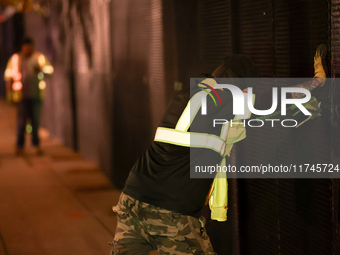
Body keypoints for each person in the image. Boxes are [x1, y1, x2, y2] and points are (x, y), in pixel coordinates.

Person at [109, 55, 260, 255]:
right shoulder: (220, 98)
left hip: (132, 198)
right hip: (169, 211)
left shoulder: (192, 92)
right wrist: (314, 86)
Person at [4, 36, 54, 155]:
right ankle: (20, 146)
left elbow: (50, 71)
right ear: (23, 47)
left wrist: (41, 71)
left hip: (36, 95)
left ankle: (35, 145)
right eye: (27, 47)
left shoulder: (39, 58)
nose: (28, 50)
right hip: (21, 96)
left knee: (35, 121)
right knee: (21, 122)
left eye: (31, 47)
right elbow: (8, 75)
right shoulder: (15, 59)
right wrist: (9, 92)